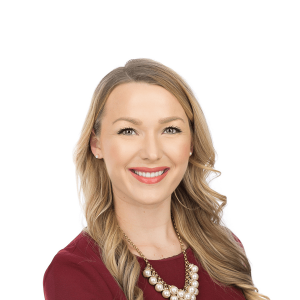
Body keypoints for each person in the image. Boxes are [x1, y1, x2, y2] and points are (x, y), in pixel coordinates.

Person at [43, 58, 269, 300]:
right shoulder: (75, 272)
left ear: (191, 142)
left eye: (170, 129)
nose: (151, 153)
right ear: (96, 144)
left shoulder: (222, 248)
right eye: (128, 131)